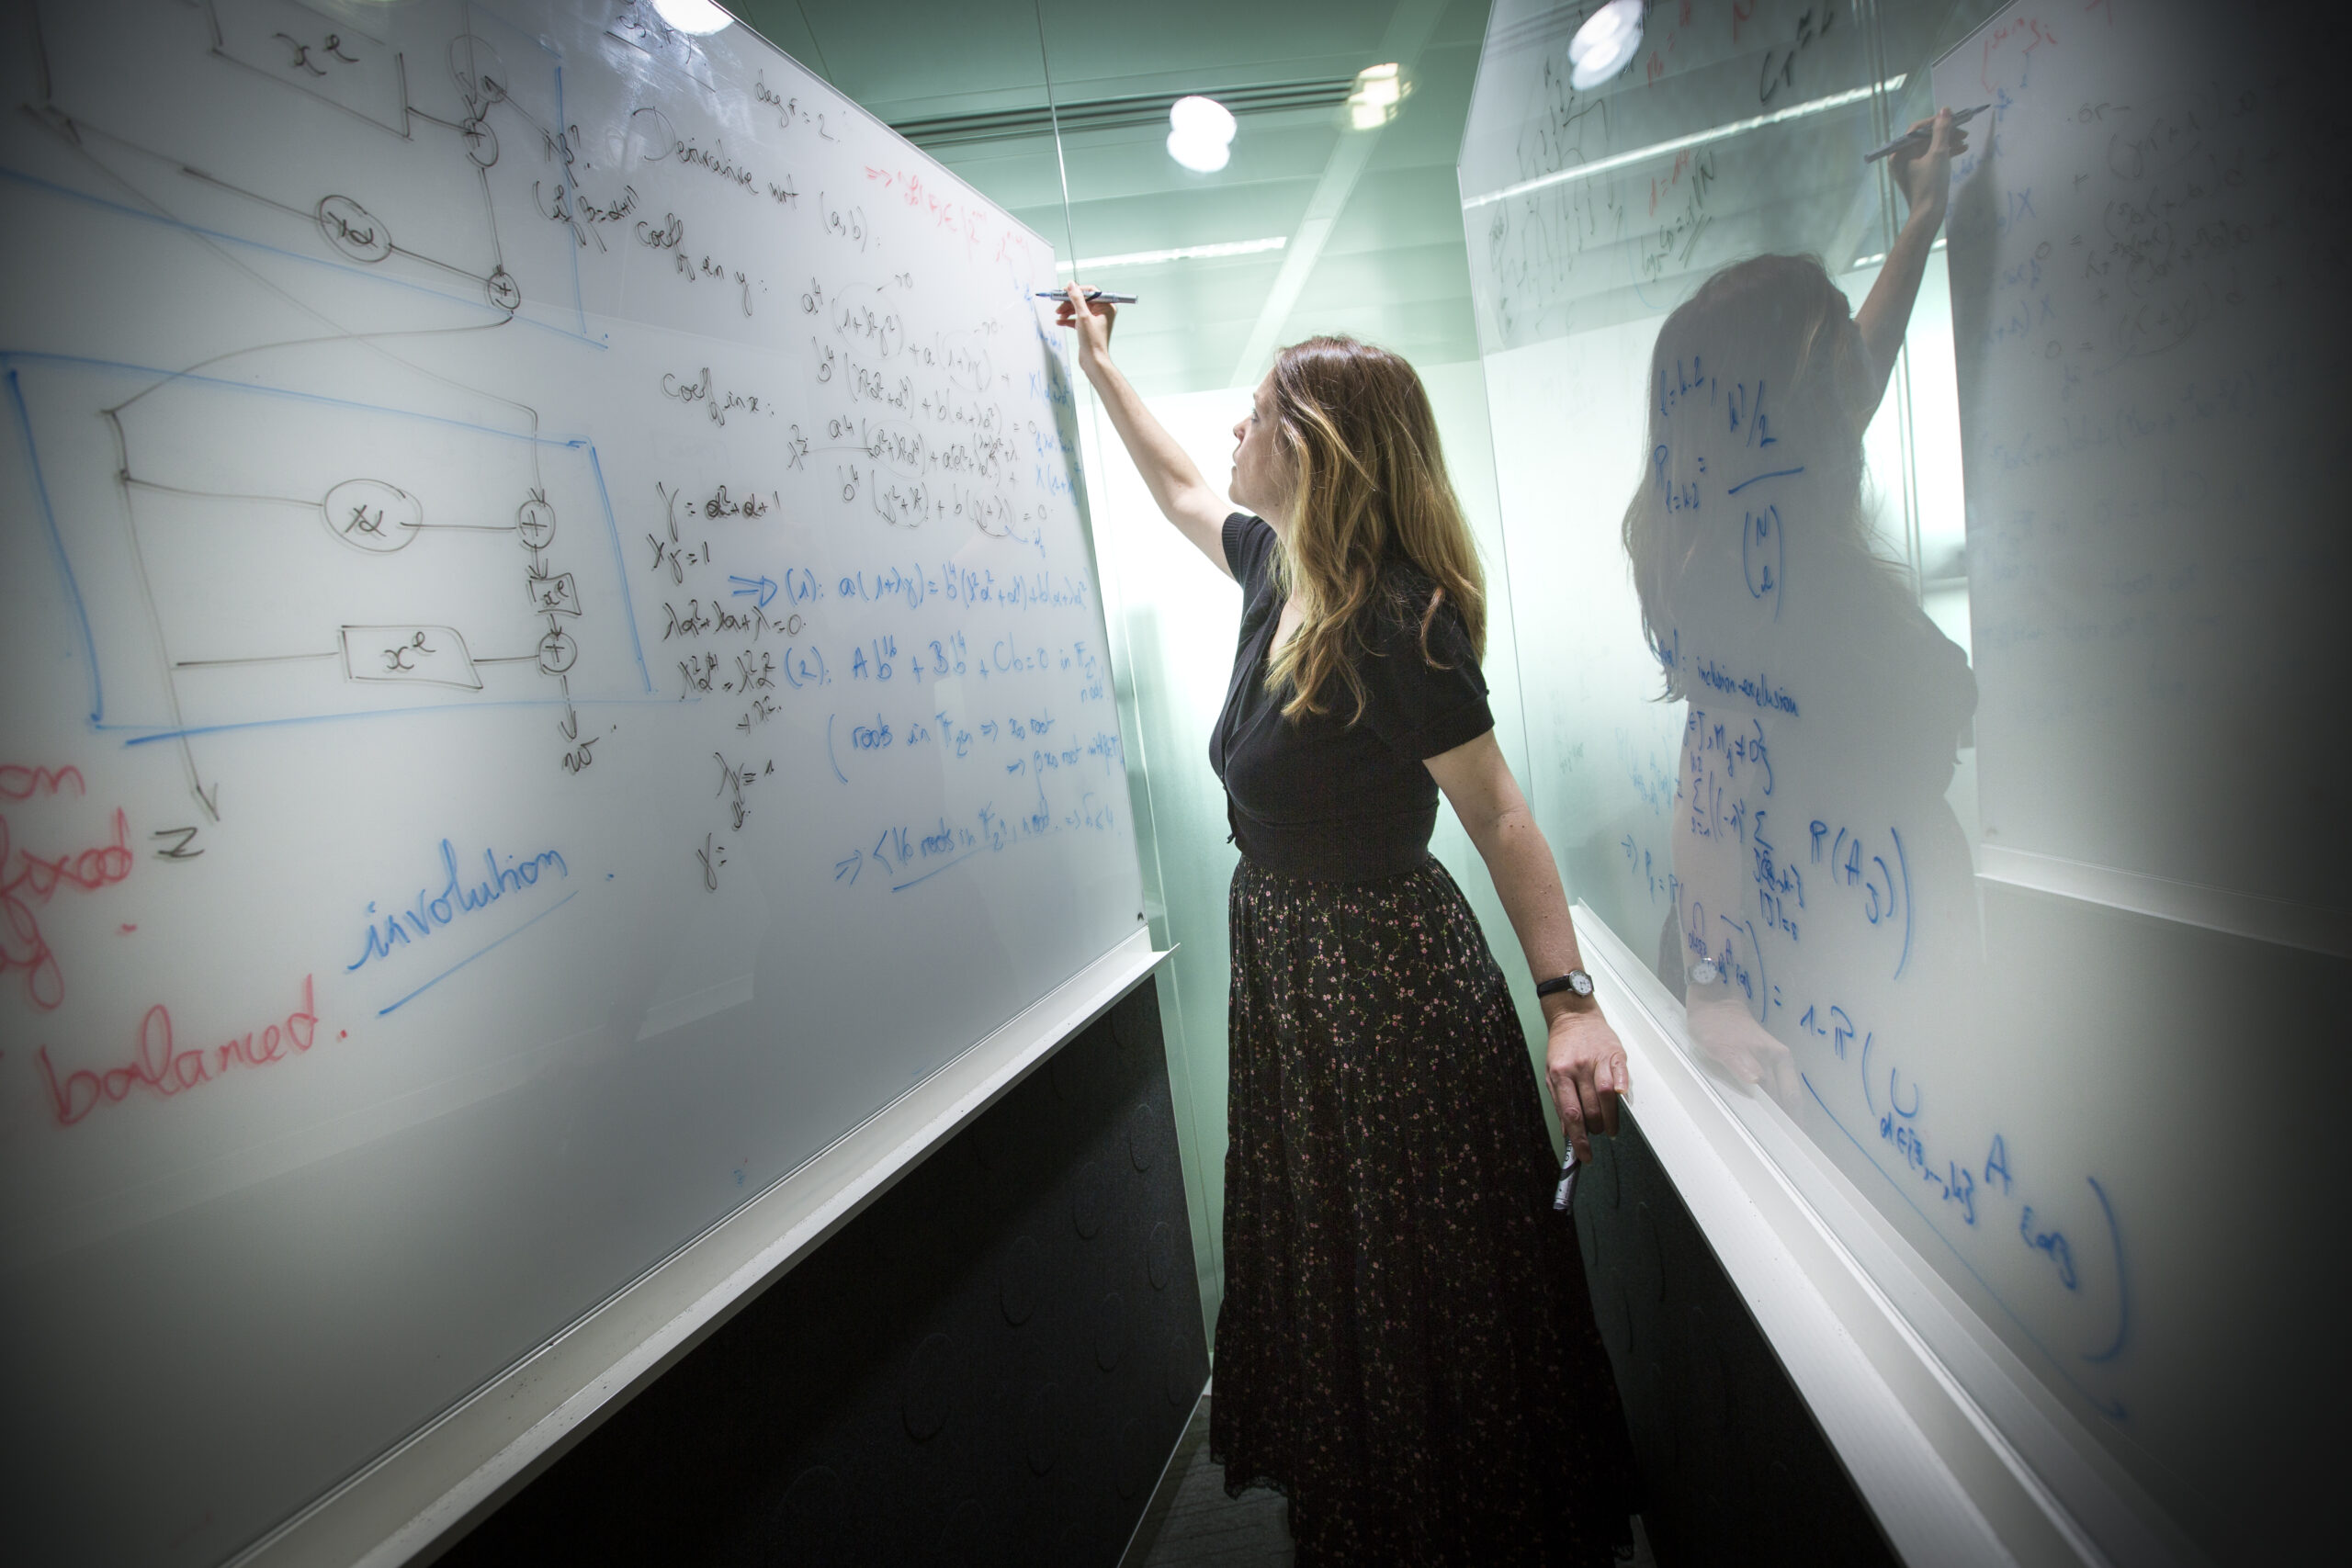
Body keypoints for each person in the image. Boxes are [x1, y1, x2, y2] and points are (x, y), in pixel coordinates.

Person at [1057, 289, 1636, 1565]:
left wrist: (1570, 999)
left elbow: (1501, 818)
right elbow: (1169, 485)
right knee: (1349, 1255)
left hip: (1384, 981)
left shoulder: (1399, 615)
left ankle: (1470, 1519)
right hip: (1296, 973)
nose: (1235, 428)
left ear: (1312, 448)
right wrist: (1099, 369)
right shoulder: (1284, 572)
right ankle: (1383, 1505)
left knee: (1416, 1263)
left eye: (1259, 412)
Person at [1623, 111, 1981, 1111]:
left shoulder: (1766, 496)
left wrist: (1924, 213)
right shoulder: (1746, 570)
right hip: (1812, 967)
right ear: (1783, 402)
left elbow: (1869, 348)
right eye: (1824, 362)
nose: (1848, 376)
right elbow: (1710, 784)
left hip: (1861, 936)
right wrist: (1712, 991)